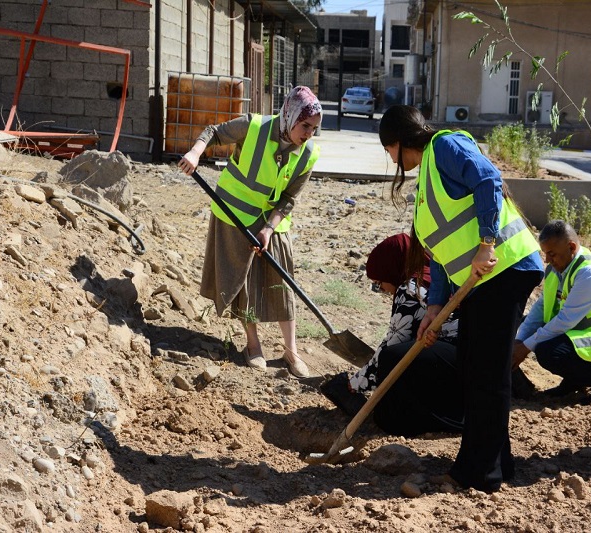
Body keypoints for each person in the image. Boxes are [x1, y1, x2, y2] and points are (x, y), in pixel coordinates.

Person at [379, 105, 544, 492]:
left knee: (487, 373)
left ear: (401, 141)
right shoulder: (428, 185)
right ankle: (497, 463)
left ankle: (477, 472)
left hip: (504, 268)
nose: (389, 158)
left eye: (388, 149)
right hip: (480, 281)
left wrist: (487, 242)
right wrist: (433, 307)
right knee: (473, 368)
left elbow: (488, 178)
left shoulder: (445, 146)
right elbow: (439, 255)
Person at [178, 86, 323, 378]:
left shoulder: (308, 154)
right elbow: (213, 132)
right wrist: (195, 153)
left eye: (314, 129)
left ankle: (291, 350)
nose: (308, 134)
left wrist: (269, 229)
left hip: (271, 219)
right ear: (289, 115)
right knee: (242, 281)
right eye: (305, 126)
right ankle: (253, 346)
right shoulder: (254, 126)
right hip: (234, 214)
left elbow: (289, 198)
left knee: (282, 281)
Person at [320, 232, 464, 436]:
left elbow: (392, 345)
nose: (383, 289)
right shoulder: (435, 275)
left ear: (392, 269)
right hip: (469, 357)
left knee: (391, 359)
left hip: (457, 363)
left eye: (380, 282)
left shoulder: (410, 289)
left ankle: (422, 421)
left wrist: (353, 385)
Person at [512, 220, 591, 405]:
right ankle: (574, 381)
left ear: (571, 247)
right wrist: (518, 341)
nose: (547, 260)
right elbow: (541, 307)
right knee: (530, 331)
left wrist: (524, 348)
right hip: (587, 334)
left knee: (548, 352)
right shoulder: (559, 268)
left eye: (552, 254)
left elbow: (564, 321)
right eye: (546, 254)